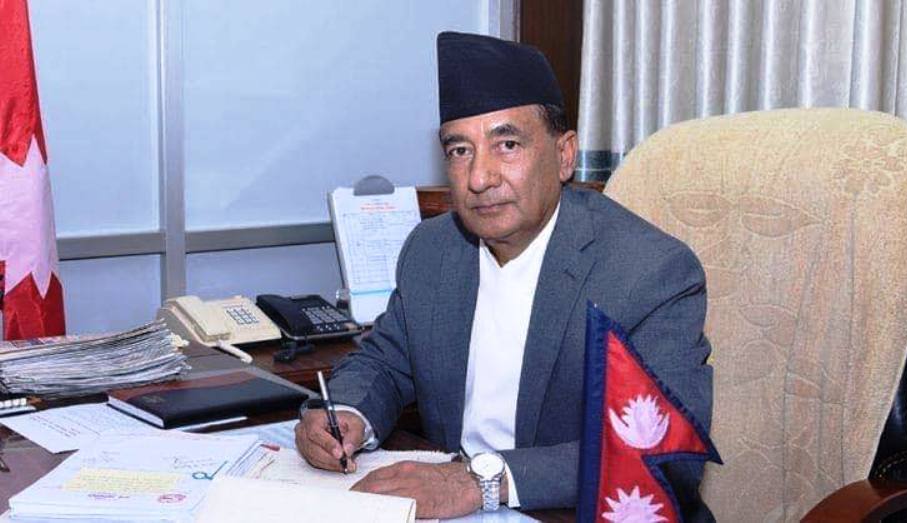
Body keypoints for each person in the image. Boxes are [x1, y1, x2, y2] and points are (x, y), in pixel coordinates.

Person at [296, 31, 714, 520]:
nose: (479, 178)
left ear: (564, 155)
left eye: (507, 144)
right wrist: (347, 415)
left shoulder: (649, 271)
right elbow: (385, 362)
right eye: (460, 151)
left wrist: (480, 480)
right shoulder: (431, 250)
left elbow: (664, 452)